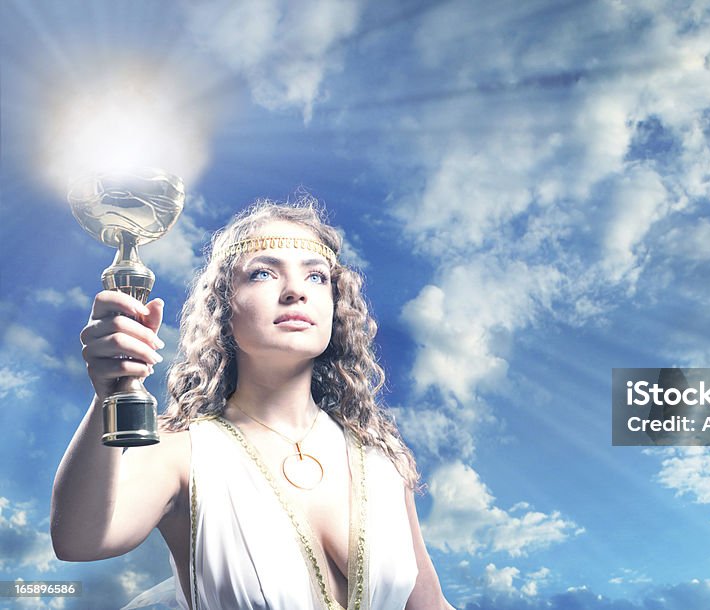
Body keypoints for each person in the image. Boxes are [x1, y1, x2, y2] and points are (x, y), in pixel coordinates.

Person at [51, 200, 455, 609]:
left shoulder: (383, 458)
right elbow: (79, 541)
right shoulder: (181, 451)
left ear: (335, 308)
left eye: (316, 276)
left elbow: (430, 606)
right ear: (223, 308)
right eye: (263, 273)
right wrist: (109, 391)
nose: (296, 291)